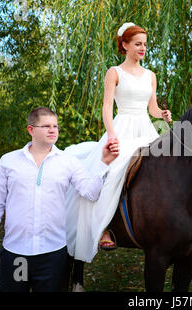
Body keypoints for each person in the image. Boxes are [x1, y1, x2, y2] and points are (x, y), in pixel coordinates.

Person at [0, 107, 119, 292]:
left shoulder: (68, 162)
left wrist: (103, 163)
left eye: (55, 126)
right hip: (16, 254)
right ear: (31, 130)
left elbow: (91, 193)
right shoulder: (8, 161)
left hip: (53, 256)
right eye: (46, 126)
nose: (53, 130)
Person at [65, 22, 172, 265]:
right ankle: (103, 228)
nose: (143, 48)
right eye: (138, 44)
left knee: (164, 169)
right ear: (124, 45)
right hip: (121, 127)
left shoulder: (151, 76)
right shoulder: (114, 72)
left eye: (145, 44)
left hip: (145, 128)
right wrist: (111, 134)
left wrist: (162, 115)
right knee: (111, 171)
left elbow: (152, 108)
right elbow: (106, 107)